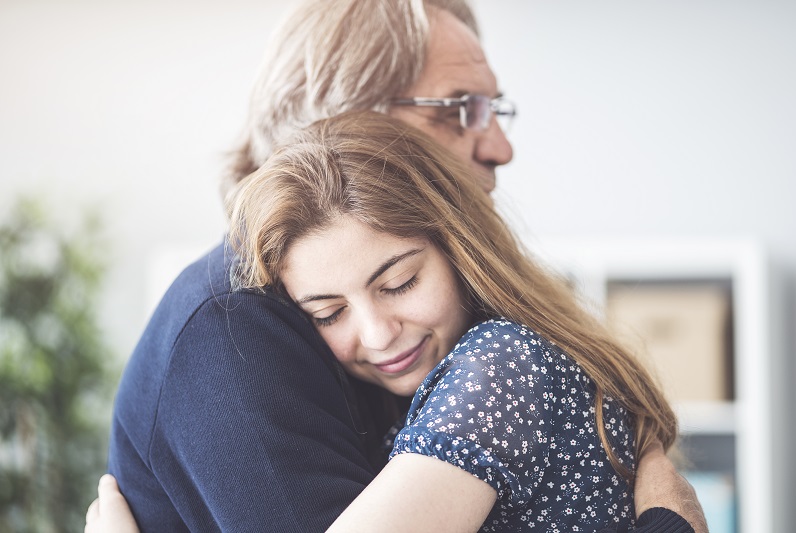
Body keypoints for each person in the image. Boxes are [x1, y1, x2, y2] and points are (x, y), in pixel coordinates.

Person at [98, 0, 706, 531]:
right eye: (458, 109)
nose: (499, 147)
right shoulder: (235, 327)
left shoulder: (485, 351)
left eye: (399, 283)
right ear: (348, 123)